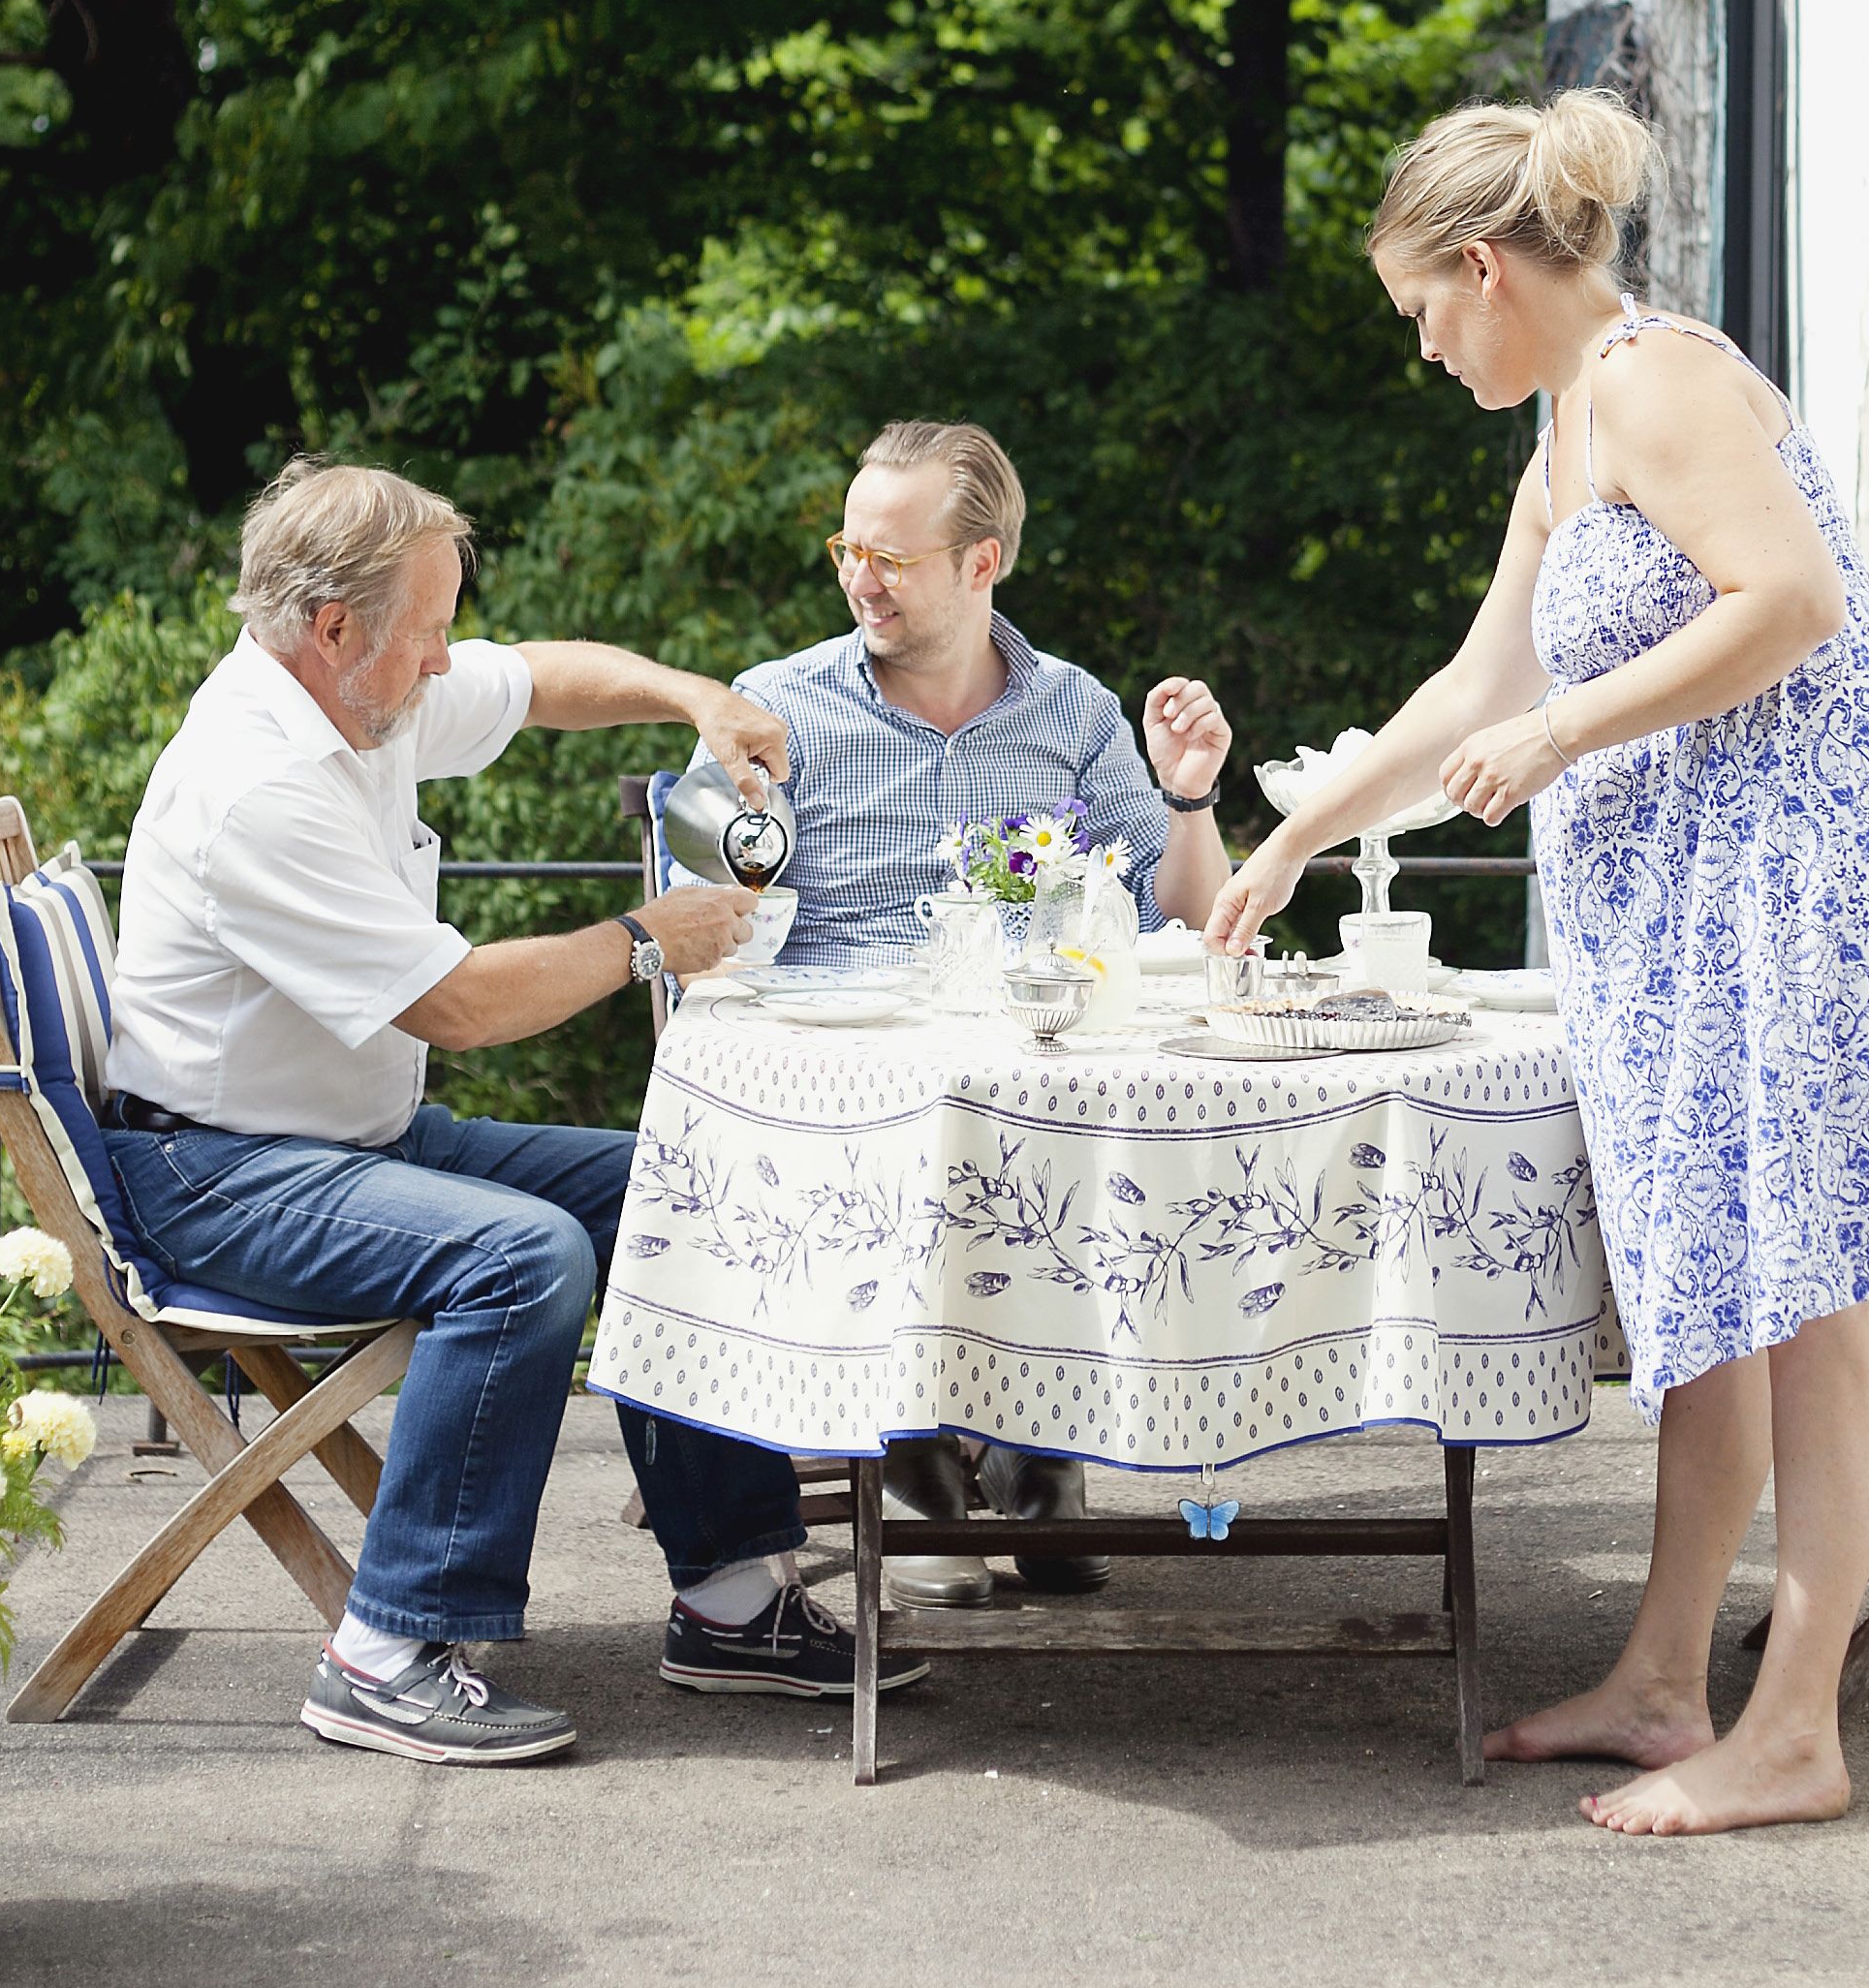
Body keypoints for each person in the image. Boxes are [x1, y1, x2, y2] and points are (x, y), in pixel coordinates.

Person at [1203, 92, 1869, 1837]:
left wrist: (1572, 731)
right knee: (1708, 1305)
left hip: (1807, 893)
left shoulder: (1659, 379)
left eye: (1419, 310)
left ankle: (1794, 1727)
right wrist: (1293, 836)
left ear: (1484, 268)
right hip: (1700, 917)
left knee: (1811, 1310)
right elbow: (1468, 691)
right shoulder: (1564, 436)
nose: (1422, 347)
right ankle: (1664, 1678)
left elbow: (1788, 598)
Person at [105, 456, 929, 1765]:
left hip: (339, 1138)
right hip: (219, 1174)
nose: (447, 659)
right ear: (334, 630)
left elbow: (535, 678)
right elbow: (462, 1009)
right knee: (521, 1256)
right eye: (430, 629)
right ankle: (385, 1651)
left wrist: (691, 698)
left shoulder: (359, 699)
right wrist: (647, 937)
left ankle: (725, 1601)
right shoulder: (259, 785)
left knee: (682, 1179)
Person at [677, 418, 1234, 1602]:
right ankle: (913, 1454)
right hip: (847, 1078)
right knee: (929, 1125)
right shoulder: (771, 707)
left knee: (1110, 1129)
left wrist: (1189, 798)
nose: (855, 578)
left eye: (890, 555)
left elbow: (1185, 926)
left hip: (1038, 1063)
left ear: (982, 562)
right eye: (846, 547)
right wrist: (743, 862)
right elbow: (687, 930)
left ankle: (1042, 1450)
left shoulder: (1075, 713)